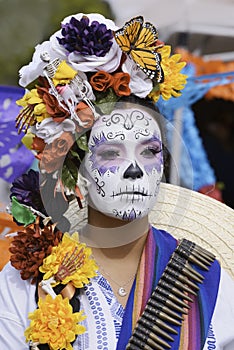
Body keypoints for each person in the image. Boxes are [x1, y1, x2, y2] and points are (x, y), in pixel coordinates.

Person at [0, 12, 234, 350]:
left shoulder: (209, 282)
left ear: (163, 166)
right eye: (111, 154)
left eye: (149, 151)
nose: (135, 169)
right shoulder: (26, 286)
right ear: (77, 172)